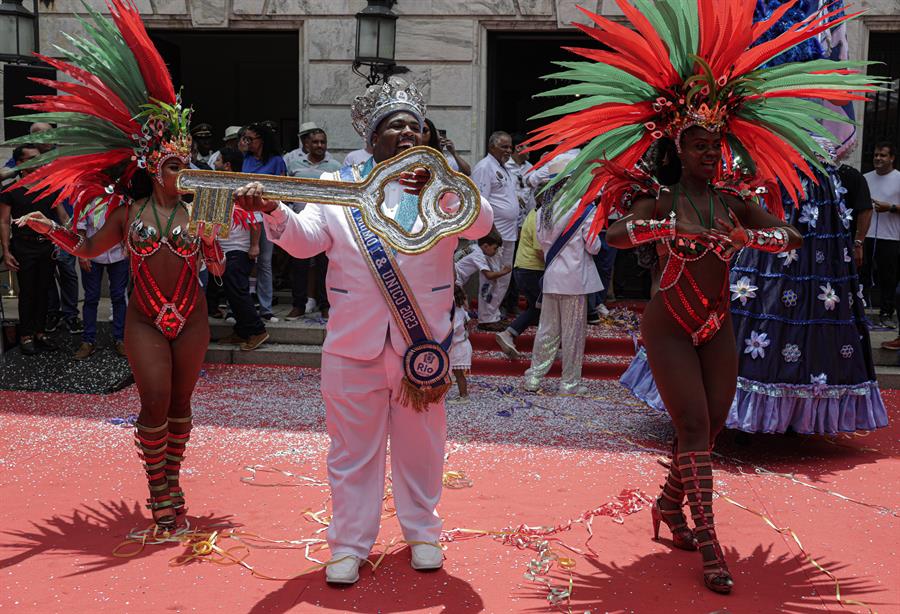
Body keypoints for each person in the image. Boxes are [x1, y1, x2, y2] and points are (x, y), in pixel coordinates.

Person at [525, 1, 873, 594]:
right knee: (691, 427)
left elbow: (789, 235)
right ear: (677, 148)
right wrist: (672, 230)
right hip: (670, 327)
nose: (712, 153)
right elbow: (615, 234)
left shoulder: (736, 198)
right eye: (699, 144)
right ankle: (709, 545)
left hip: (719, 326)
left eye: (717, 144)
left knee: (709, 428)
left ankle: (666, 502)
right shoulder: (658, 199)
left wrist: (747, 236)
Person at [234, 76, 493, 585]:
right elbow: (306, 242)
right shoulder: (338, 189)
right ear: (371, 140)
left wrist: (443, 181)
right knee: (352, 451)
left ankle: (423, 533)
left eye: (414, 127)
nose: (405, 133)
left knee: (423, 446)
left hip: (422, 348)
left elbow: (480, 225)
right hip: (353, 345)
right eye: (393, 126)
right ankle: (349, 543)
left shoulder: (444, 191)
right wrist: (272, 210)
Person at [10, 0, 228, 531]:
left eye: (187, 162)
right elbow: (88, 252)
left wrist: (213, 237)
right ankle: (159, 498)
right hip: (144, 318)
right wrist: (52, 230)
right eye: (174, 164)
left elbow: (218, 269)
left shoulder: (206, 204)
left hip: (193, 316)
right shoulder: (128, 211)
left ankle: (173, 486)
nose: (184, 170)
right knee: (153, 402)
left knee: (180, 407)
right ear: (155, 167)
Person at [522, 167, 603, 394]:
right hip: (575, 280)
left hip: (551, 278)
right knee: (573, 334)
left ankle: (534, 377)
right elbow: (594, 247)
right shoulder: (585, 210)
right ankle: (569, 383)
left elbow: (541, 242)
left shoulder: (542, 210)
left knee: (546, 330)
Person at [0, 145, 64, 355]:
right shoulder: (10, 190)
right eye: (34, 158)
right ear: (21, 163)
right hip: (23, 246)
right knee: (27, 292)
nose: (41, 161)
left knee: (44, 291)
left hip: (46, 245)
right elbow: (4, 222)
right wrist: (7, 251)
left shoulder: (49, 186)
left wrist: (67, 240)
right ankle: (25, 335)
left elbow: (62, 216)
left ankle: (40, 332)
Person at [214, 148, 268, 351]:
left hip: (239, 249)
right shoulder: (219, 186)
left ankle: (257, 330)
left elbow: (256, 220)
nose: (215, 162)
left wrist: (254, 246)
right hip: (223, 250)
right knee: (231, 292)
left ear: (227, 165)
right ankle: (242, 331)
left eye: (218, 159)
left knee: (238, 292)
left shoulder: (243, 188)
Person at [471, 131, 517, 328]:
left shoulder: (503, 168)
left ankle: (493, 313)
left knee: (504, 276)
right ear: (491, 147)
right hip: (494, 234)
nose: (509, 150)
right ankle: (486, 318)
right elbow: (481, 201)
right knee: (491, 278)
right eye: (504, 147)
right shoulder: (484, 167)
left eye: (510, 147)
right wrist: (488, 232)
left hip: (508, 232)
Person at [74, 197, 129, 359]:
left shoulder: (122, 196)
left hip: (118, 254)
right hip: (93, 253)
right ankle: (88, 341)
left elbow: (129, 222)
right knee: (91, 298)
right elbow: (80, 227)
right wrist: (82, 255)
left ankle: (121, 339)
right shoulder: (86, 196)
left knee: (119, 296)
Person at [241, 122, 286, 323]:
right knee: (244, 260)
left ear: (262, 140)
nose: (247, 142)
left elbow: (282, 188)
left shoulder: (277, 161)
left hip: (267, 216)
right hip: (246, 217)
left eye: (250, 139)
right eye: (245, 138)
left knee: (265, 263)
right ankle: (241, 308)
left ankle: (266, 308)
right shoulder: (245, 159)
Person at [494, 204, 544, 360]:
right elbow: (540, 250)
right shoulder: (540, 216)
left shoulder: (534, 213)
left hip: (524, 267)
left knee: (538, 308)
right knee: (541, 307)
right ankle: (509, 333)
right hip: (532, 268)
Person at [862, 141, 900, 328]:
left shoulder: (898, 178)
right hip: (866, 235)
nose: (878, 158)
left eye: (883, 155)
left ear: (892, 158)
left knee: (888, 277)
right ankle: (860, 310)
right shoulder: (865, 178)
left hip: (891, 237)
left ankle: (886, 313)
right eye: (876, 155)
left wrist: (890, 207)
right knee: (863, 274)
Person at [454, 230, 510, 324]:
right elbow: (489, 275)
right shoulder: (478, 255)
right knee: (461, 304)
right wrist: (504, 272)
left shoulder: (474, 247)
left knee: (461, 302)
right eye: (495, 248)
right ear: (485, 246)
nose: (495, 252)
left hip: (453, 276)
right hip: (455, 278)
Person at [449, 285, 472, 401]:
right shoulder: (461, 310)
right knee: (457, 373)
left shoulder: (456, 314)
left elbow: (453, 330)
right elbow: (469, 321)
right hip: (462, 343)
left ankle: (464, 395)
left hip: (458, 347)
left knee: (459, 374)